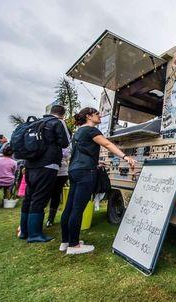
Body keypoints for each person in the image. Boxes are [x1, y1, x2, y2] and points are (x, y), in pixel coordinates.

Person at [60, 107, 135, 255]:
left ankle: (65, 241)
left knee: (69, 207)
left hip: (74, 170)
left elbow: (80, 153)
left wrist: (95, 163)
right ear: (89, 116)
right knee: (78, 209)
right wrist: (125, 157)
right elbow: (107, 144)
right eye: (97, 114)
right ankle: (74, 245)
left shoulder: (78, 132)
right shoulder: (91, 130)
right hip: (85, 172)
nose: (100, 116)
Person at [19, 105, 69, 243]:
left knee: (29, 197)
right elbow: (65, 143)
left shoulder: (36, 123)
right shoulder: (57, 123)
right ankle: (34, 234)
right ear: (62, 114)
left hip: (30, 165)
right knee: (40, 198)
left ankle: (24, 231)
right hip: (47, 165)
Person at [46, 123, 71, 227]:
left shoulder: (68, 143)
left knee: (54, 195)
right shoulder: (52, 140)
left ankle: (50, 219)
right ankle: (43, 218)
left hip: (60, 172)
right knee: (47, 194)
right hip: (52, 170)